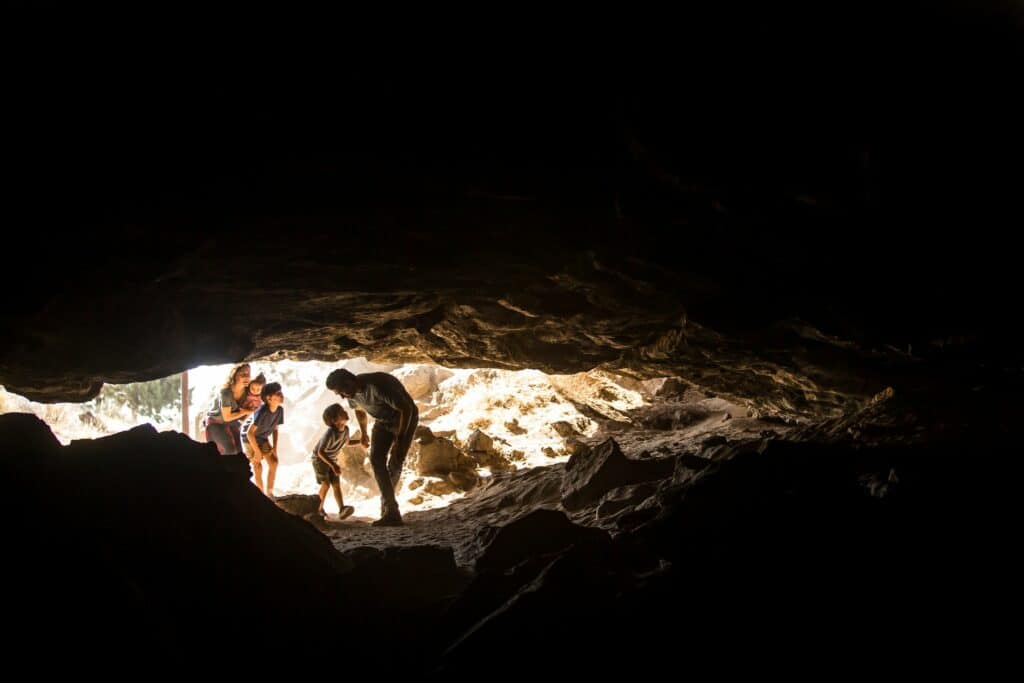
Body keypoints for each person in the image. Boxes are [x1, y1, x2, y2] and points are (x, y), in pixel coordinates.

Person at [326, 368, 417, 526]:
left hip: (403, 418)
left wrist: (400, 439)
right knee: (375, 459)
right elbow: (359, 410)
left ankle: (390, 510)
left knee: (395, 461)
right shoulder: (351, 393)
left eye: (342, 391)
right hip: (382, 421)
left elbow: (406, 409)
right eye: (338, 394)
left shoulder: (377, 386)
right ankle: (391, 508)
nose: (342, 396)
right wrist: (363, 433)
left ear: (350, 381)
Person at [312, 404, 356, 520]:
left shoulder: (346, 429)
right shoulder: (330, 433)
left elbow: (347, 443)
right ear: (334, 420)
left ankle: (342, 509)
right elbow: (320, 452)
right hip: (319, 460)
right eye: (341, 412)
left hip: (332, 460)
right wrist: (333, 465)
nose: (345, 412)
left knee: (336, 484)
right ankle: (318, 509)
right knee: (325, 484)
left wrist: (361, 441)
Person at [242, 382, 285, 497]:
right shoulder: (262, 412)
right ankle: (261, 496)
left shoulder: (280, 410)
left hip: (262, 437)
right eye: (278, 393)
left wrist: (275, 448)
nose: (281, 395)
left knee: (274, 463)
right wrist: (257, 451)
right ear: (269, 398)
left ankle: (270, 493)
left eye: (281, 392)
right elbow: (249, 433)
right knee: (258, 466)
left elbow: (275, 429)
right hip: (249, 438)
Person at [203, 363, 255, 455]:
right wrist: (246, 412)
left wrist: (248, 413)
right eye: (243, 374)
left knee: (239, 453)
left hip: (232, 424)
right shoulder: (226, 393)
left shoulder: (247, 392)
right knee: (229, 451)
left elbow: (242, 417)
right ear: (234, 376)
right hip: (216, 423)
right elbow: (227, 417)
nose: (246, 377)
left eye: (248, 374)